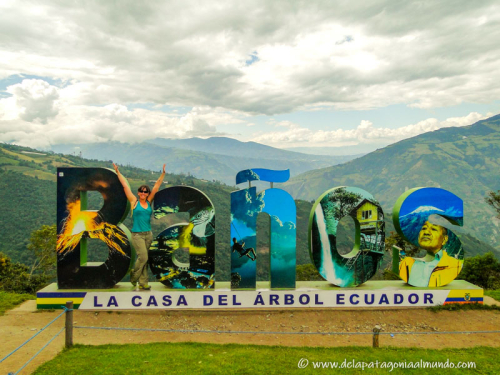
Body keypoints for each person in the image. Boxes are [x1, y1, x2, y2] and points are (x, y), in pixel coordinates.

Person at [113, 163, 165, 290]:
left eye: (145, 191)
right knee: (143, 257)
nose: (143, 193)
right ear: (138, 192)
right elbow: (125, 186)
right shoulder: (134, 201)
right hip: (137, 235)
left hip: (148, 234)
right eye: (141, 191)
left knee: (144, 260)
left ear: (147, 194)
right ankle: (134, 276)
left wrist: (163, 174)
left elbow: (156, 186)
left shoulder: (149, 201)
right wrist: (118, 172)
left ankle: (143, 283)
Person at [399, 220, 463, 287]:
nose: (426, 232)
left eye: (434, 229)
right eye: (424, 228)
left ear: (444, 239)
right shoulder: (404, 264)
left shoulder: (456, 266)